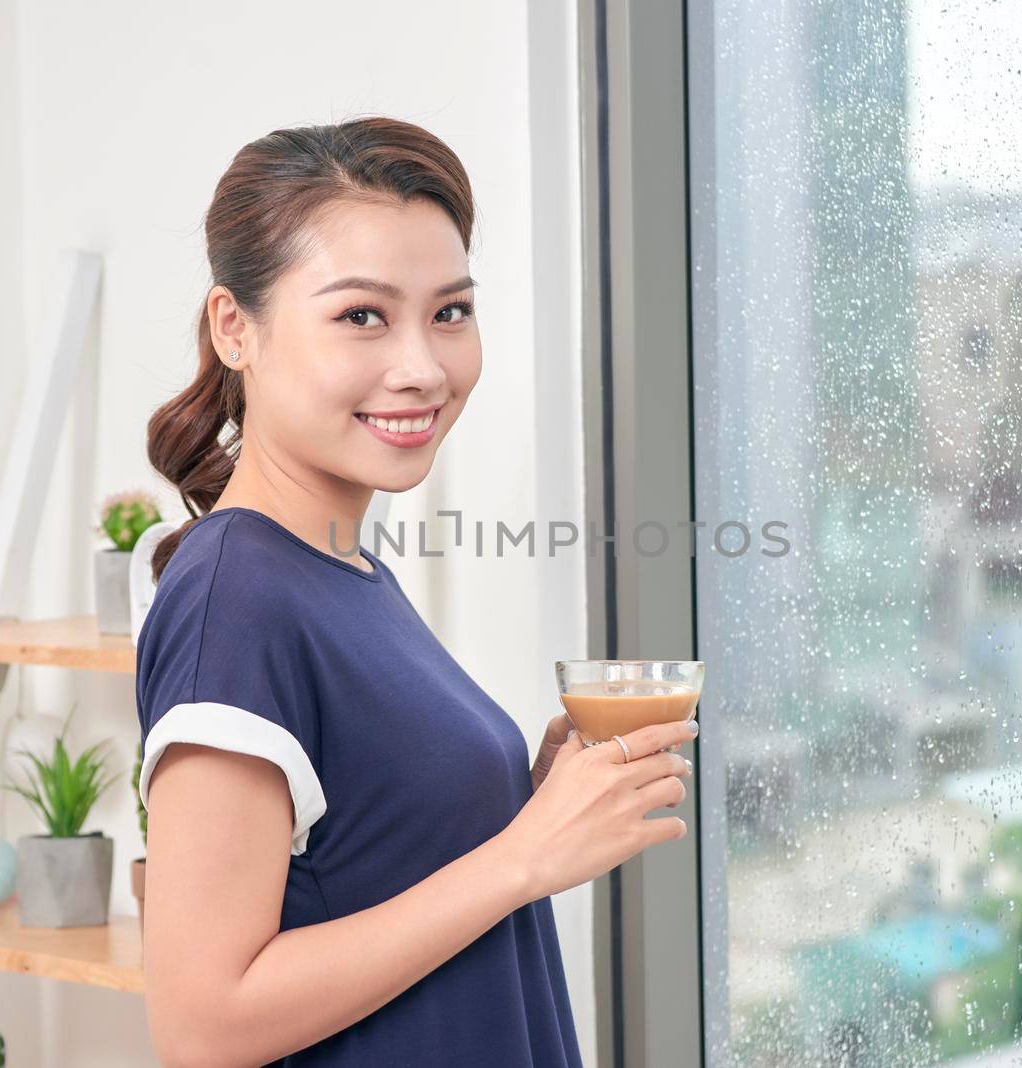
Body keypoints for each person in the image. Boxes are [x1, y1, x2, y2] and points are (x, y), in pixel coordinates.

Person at [135, 117, 697, 1068]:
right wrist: (523, 860)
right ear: (237, 328)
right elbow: (204, 1026)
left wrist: (527, 809)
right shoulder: (238, 599)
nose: (423, 368)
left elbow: (360, 869)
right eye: (362, 315)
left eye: (450, 312)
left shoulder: (342, 569)